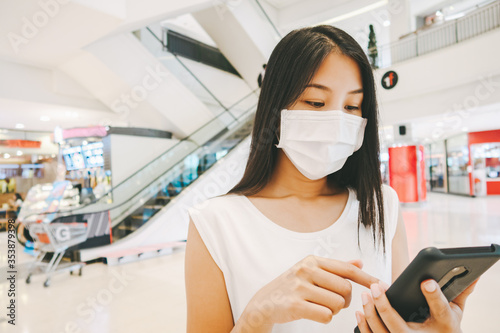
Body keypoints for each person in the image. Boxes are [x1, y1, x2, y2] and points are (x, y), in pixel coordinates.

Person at [185, 25, 478, 333]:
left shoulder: (382, 204)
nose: (337, 122)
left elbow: (400, 320)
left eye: (352, 106)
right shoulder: (214, 223)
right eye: (315, 102)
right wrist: (256, 317)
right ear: (275, 107)